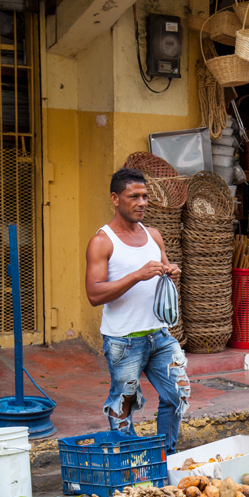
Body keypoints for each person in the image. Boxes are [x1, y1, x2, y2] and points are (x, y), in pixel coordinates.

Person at [85, 167, 190, 454]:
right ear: (115, 199)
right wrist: (137, 275)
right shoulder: (102, 241)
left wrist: (171, 272)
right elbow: (94, 294)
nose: (142, 202)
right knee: (123, 405)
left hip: (159, 335)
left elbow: (163, 269)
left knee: (178, 394)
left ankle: (164, 457)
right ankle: (132, 464)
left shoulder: (153, 235)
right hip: (123, 340)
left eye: (145, 196)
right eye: (134, 196)